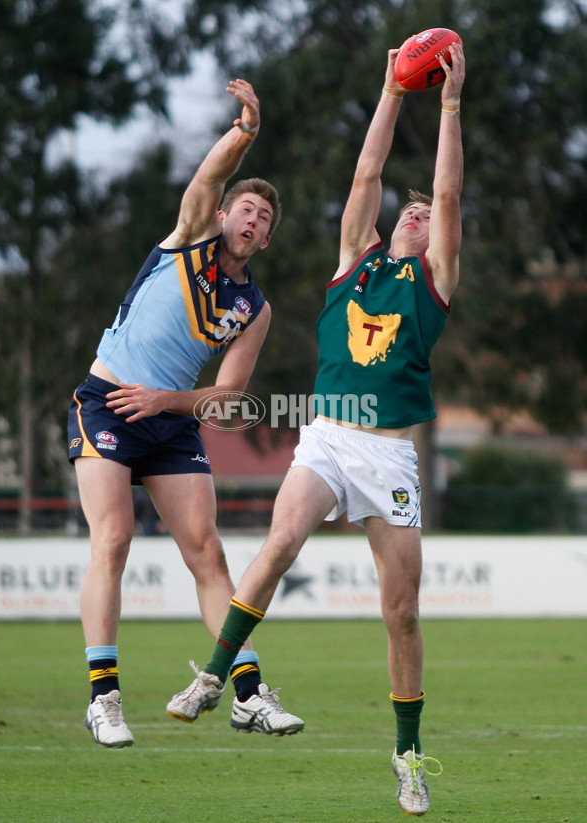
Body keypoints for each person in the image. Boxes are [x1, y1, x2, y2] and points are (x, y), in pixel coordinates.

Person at [179, 43, 465, 816]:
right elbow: (367, 175)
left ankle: (407, 756)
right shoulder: (353, 261)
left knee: (399, 610)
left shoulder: (432, 280)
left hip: (391, 453)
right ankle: (215, 674)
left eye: (427, 211)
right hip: (330, 435)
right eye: (408, 208)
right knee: (278, 544)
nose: (417, 208)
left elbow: (446, 183)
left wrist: (447, 103)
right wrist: (390, 89)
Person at [68, 78, 304, 748]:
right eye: (247, 208)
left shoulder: (253, 309)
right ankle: (104, 697)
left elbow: (227, 397)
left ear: (263, 241)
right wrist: (245, 132)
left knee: (208, 554)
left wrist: (167, 402)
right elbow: (208, 175)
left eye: (264, 219)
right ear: (225, 215)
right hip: (107, 402)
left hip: (169, 420)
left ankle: (249, 694)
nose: (253, 219)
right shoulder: (191, 236)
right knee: (112, 539)